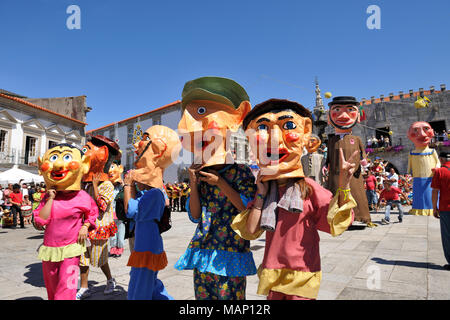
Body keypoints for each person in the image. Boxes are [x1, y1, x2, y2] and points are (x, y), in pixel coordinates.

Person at [233, 98, 357, 300]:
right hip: (273, 273)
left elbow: (338, 221)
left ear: (305, 131)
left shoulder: (308, 188)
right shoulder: (265, 191)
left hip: (303, 273)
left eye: (288, 126)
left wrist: (344, 184)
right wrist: (261, 194)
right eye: (262, 129)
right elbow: (250, 230)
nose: (274, 139)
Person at [175, 76, 257, 300]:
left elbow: (246, 210)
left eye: (201, 111)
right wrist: (193, 183)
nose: (187, 126)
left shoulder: (240, 172)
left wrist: (220, 183)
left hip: (231, 252)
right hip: (204, 250)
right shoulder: (199, 173)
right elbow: (194, 215)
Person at [33, 143, 98, 300]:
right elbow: (41, 220)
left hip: (72, 249)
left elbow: (93, 212)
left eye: (67, 157)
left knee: (67, 287)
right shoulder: (47, 197)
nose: (58, 164)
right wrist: (50, 198)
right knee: (52, 287)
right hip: (50, 248)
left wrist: (86, 226)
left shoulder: (82, 196)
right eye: (54, 158)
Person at [124, 125, 181, 300]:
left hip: (146, 246)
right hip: (147, 242)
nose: (136, 145)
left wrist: (128, 184)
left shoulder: (155, 193)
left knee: (139, 285)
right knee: (151, 284)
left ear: (158, 149)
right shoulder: (154, 192)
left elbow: (131, 210)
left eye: (144, 138)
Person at [77, 135, 120, 300]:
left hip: (99, 227)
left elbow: (102, 205)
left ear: (102, 153)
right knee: (83, 258)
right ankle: (84, 287)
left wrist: (95, 185)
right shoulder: (86, 185)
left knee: (100, 259)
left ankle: (110, 280)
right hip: (84, 227)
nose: (83, 153)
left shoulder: (108, 185)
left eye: (86, 149)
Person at [325, 96, 372, 226]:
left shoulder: (356, 139)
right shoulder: (331, 141)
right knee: (336, 194)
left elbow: (363, 156)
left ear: (357, 116)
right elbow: (328, 157)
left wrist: (365, 166)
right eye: (337, 110)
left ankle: (359, 217)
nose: (344, 115)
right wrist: (325, 167)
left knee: (356, 194)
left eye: (350, 110)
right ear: (329, 118)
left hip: (354, 175)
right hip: (335, 174)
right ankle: (336, 218)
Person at [407, 121, 440, 215]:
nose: (422, 134)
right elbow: (409, 164)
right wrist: (408, 172)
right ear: (409, 135)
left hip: (430, 177)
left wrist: (437, 167)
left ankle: (432, 208)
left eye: (426, 129)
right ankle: (419, 209)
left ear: (432, 132)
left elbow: (437, 161)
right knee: (419, 194)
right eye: (415, 130)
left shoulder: (432, 151)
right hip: (418, 177)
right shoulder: (412, 153)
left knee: (430, 193)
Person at [431, 152, 450, 270]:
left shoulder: (440, 171)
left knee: (447, 235)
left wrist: (434, 208)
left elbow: (435, 191)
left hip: (445, 208)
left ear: (441, 159)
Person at [108, 160, 126, 258]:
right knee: (112, 233)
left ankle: (120, 247)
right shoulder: (109, 186)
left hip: (120, 213)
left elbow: (126, 194)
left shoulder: (121, 186)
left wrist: (122, 184)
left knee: (120, 231)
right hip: (111, 213)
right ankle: (113, 248)